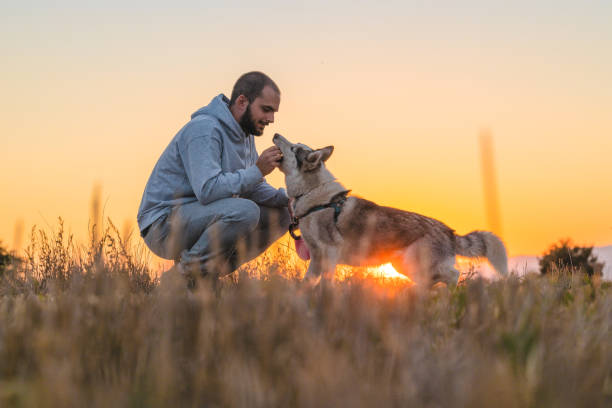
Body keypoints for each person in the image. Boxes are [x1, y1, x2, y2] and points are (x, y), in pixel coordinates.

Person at [137, 71, 290, 280]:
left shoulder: (245, 135)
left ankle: (206, 276)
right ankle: (182, 276)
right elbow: (208, 190)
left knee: (281, 215)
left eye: (273, 112)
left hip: (201, 216)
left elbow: (252, 186)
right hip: (162, 224)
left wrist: (290, 199)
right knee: (245, 211)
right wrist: (257, 170)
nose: (270, 119)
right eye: (266, 110)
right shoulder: (205, 129)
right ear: (242, 101)